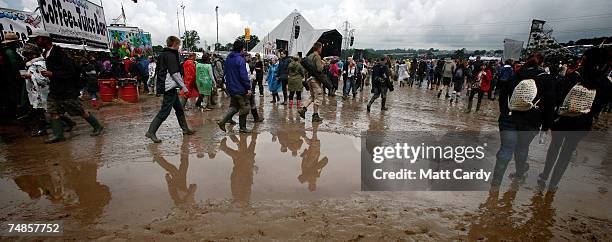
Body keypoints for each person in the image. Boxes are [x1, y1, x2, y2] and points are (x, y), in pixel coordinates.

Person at [538, 48, 611, 193]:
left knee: (554, 147)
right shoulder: (603, 82)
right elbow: (604, 101)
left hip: (563, 119)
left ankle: (544, 176)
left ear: (585, 60)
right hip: (583, 122)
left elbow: (559, 95)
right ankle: (554, 183)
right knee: (567, 152)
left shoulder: (575, 76)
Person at [490, 53, 556, 190]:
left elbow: (503, 95)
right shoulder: (547, 79)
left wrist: (504, 111)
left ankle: (495, 182)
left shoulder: (515, 75)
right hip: (531, 121)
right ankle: (519, 175)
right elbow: (550, 105)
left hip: (509, 117)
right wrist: (547, 125)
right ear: (542, 63)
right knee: (522, 148)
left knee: (506, 149)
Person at [30, 29, 104, 143]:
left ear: (45, 39)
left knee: (79, 110)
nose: (36, 41)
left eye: (38, 39)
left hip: (66, 89)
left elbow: (71, 71)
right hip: (55, 88)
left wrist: (53, 74)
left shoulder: (59, 52)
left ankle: (97, 126)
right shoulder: (46, 53)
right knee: (52, 110)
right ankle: (58, 135)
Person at [145, 36, 195, 143]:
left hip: (167, 85)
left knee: (179, 109)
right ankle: (151, 131)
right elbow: (175, 73)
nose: (179, 47)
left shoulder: (163, 54)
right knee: (165, 111)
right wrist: (184, 87)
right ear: (174, 44)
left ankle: (185, 129)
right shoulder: (171, 55)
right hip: (169, 87)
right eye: (178, 45)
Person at [217, 40, 252, 133]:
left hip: (230, 87)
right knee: (245, 107)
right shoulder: (240, 59)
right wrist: (248, 88)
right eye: (244, 48)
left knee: (234, 106)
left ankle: (223, 121)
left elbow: (224, 72)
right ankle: (242, 127)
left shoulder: (229, 57)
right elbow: (243, 76)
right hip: (240, 88)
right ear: (242, 49)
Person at [20, 43, 50, 137]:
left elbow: (44, 79)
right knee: (40, 111)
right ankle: (42, 128)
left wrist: (30, 76)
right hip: (36, 92)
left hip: (41, 92)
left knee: (42, 111)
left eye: (27, 55)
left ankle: (42, 129)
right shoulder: (32, 64)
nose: (26, 57)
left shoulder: (39, 64)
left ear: (33, 54)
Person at [0, 32, 25, 124]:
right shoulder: (9, 52)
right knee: (12, 98)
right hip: (11, 80)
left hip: (8, 80)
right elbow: (15, 68)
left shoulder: (7, 51)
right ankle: (10, 118)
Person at [298, 42, 325, 123]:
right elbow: (319, 69)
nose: (321, 49)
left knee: (312, 97)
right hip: (315, 80)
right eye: (321, 48)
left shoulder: (309, 56)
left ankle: (303, 109)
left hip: (309, 79)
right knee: (319, 97)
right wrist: (323, 64)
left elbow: (305, 70)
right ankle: (315, 116)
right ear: (319, 48)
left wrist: (306, 80)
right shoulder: (317, 57)